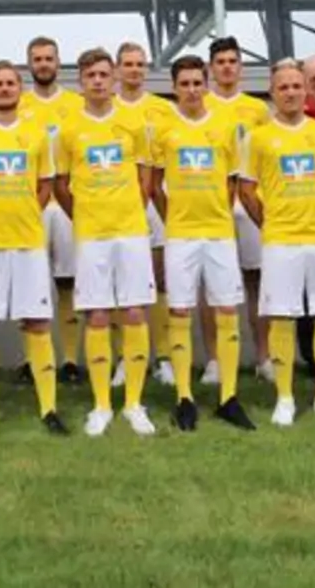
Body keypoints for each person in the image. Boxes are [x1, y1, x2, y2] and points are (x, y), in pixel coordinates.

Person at [0, 61, 69, 439]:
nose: (5, 89)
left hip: (27, 243)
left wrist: (23, 215)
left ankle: (50, 409)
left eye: (10, 83)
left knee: (37, 322)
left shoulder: (37, 135)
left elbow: (46, 186)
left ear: (19, 89)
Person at [238, 59, 315, 427]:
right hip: (280, 241)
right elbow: (246, 188)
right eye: (282, 87)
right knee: (282, 315)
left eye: (295, 86)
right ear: (272, 93)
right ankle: (285, 398)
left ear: (306, 91)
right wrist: (267, 222)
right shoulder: (257, 138)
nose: (290, 92)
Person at [54, 48, 157, 438]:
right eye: (90, 75)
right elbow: (61, 185)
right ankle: (101, 405)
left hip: (129, 232)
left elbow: (146, 178)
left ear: (114, 78)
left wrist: (130, 210)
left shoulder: (135, 123)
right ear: (81, 81)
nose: (97, 81)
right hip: (91, 234)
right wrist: (82, 215)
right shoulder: (67, 128)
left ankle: (133, 403)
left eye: (103, 74)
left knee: (133, 312)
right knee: (96, 315)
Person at [151, 55, 256, 432]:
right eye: (186, 84)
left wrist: (218, 213)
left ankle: (229, 397)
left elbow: (232, 181)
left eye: (199, 83)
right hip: (180, 234)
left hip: (219, 233)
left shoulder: (226, 126)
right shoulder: (163, 129)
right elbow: (153, 185)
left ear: (206, 85)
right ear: (175, 87)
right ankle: (184, 397)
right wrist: (174, 217)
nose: (193, 90)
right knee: (179, 311)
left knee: (226, 310)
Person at [204, 36, 273, 381]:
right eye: (221, 62)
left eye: (233, 61)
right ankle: (215, 361)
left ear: (240, 67)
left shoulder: (258, 110)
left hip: (249, 201)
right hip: (212, 203)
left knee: (256, 278)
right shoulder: (201, 104)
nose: (227, 67)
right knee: (212, 283)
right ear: (211, 68)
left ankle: (264, 358)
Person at [18, 36, 85, 381]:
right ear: (29, 64)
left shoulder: (76, 103)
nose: (43, 63)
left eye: (48, 58)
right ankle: (33, 360)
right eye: (37, 59)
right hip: (31, 203)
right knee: (32, 282)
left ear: (59, 63)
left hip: (69, 200)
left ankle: (71, 360)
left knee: (68, 282)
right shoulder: (19, 103)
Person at [113, 41, 173, 390]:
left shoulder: (163, 109)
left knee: (160, 279)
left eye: (140, 64)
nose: (134, 70)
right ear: (118, 70)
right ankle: (126, 356)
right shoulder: (109, 109)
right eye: (128, 64)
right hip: (121, 203)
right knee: (122, 285)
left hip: (158, 198)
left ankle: (163, 357)